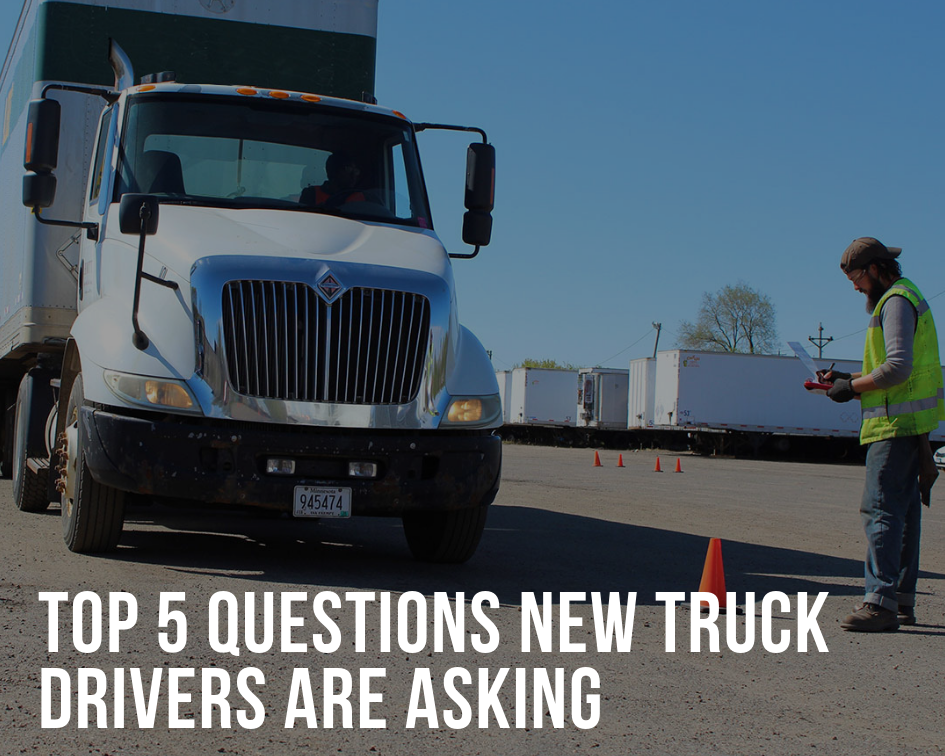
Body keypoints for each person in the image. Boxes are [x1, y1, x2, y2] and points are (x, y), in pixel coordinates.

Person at [823, 237, 944, 632]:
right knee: (904, 517)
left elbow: (896, 369)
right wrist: (847, 378)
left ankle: (879, 603)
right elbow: (896, 371)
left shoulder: (894, 301)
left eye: (856, 278)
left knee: (880, 512)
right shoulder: (907, 297)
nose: (855, 287)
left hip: (893, 429)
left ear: (876, 269)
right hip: (909, 428)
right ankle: (900, 602)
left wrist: (852, 389)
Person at [300, 151, 366, 207]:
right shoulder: (311, 194)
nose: (354, 175)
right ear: (334, 171)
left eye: (355, 170)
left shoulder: (360, 197)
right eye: (348, 169)